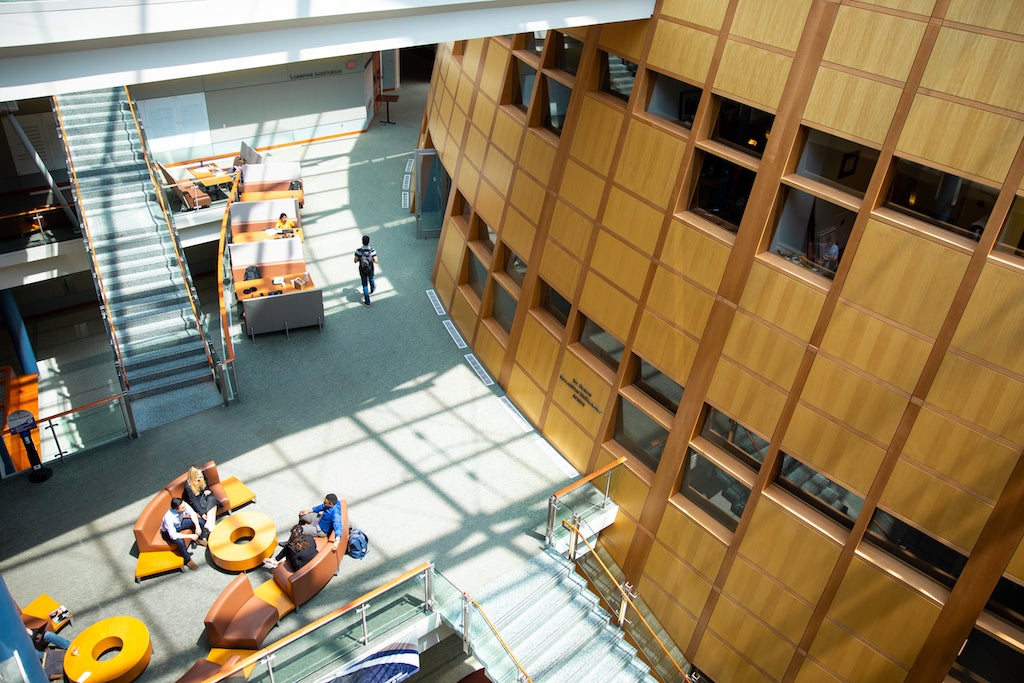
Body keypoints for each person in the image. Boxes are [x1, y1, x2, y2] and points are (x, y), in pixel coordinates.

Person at [161, 497, 201, 570]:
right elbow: (173, 535)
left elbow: (192, 513)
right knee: (180, 541)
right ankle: (187, 559)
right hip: (168, 533)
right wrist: (190, 536)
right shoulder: (168, 518)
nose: (185, 508)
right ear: (176, 510)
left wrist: (197, 527)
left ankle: (199, 540)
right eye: (182, 508)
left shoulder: (183, 505)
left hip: (179, 524)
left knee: (199, 521)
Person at [181, 464, 217, 544]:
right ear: (193, 475)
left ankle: (209, 524)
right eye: (198, 476)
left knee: (212, 498)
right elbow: (194, 501)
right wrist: (202, 513)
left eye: (200, 474)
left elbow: (206, 485)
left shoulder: (202, 476)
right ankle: (211, 525)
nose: (200, 477)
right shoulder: (188, 486)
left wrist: (207, 490)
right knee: (213, 505)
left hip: (202, 496)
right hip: (196, 502)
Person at [353, 235, 378, 306]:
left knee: (365, 284)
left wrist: (361, 259)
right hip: (370, 269)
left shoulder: (358, 251)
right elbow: (376, 261)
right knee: (372, 279)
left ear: (362, 242)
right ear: (369, 242)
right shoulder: (372, 250)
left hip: (362, 270)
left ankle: (367, 301)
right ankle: (372, 288)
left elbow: (355, 261)